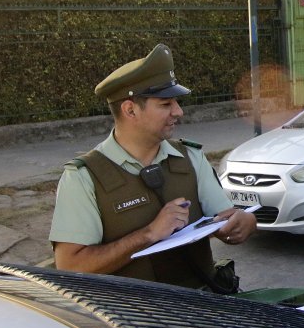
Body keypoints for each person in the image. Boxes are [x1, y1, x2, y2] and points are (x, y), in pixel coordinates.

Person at [49, 44, 257, 290]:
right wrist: (148, 234)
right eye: (165, 104)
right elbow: (70, 267)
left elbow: (225, 219)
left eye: (176, 103)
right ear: (130, 110)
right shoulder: (84, 178)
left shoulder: (190, 157)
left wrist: (244, 222)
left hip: (201, 308)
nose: (178, 112)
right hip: (130, 319)